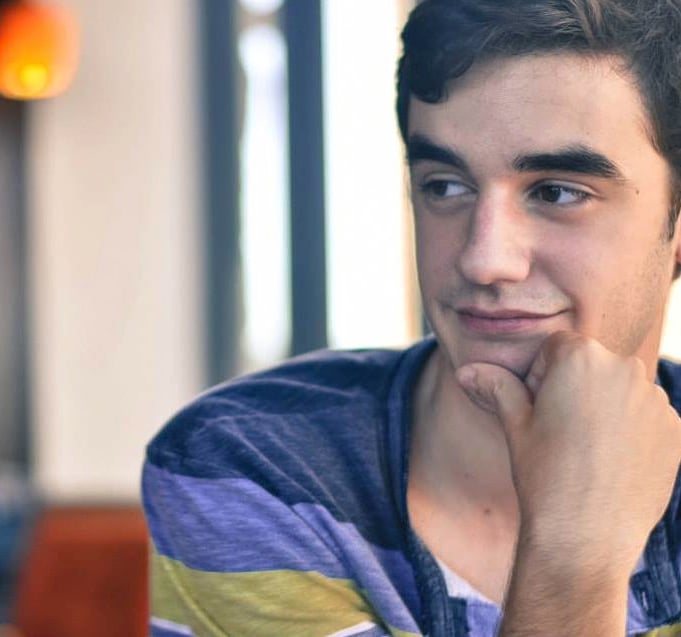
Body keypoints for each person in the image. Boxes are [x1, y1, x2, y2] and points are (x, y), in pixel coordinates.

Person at [142, 0, 681, 635]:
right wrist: (575, 556)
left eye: (557, 192)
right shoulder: (259, 471)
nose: (484, 260)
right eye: (445, 185)